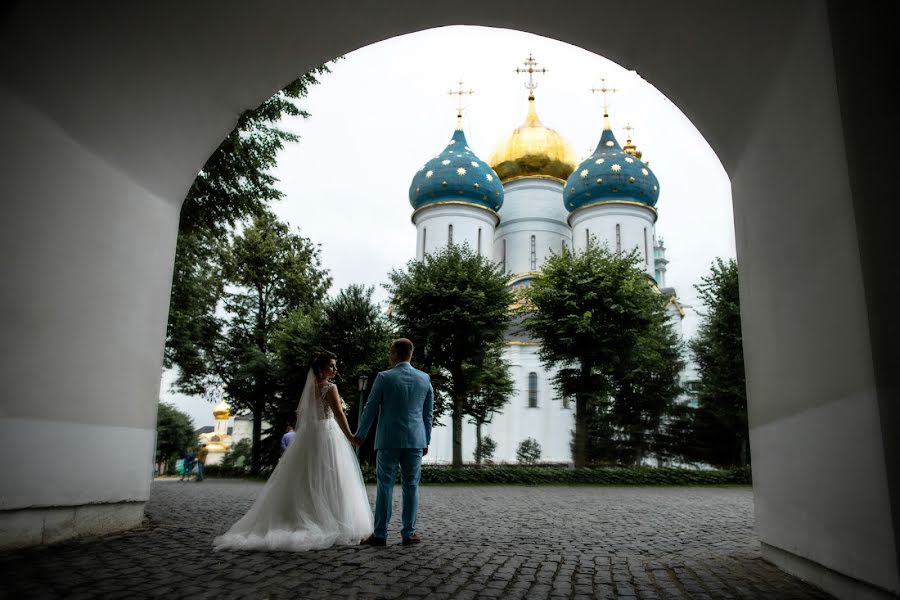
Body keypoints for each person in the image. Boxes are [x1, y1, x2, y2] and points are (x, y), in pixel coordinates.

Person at [213, 351, 373, 552]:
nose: (335, 369)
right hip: (327, 434)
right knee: (331, 476)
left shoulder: (309, 389)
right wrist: (350, 437)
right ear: (321, 368)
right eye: (332, 366)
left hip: (309, 436)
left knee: (306, 477)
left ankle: (299, 516)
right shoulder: (330, 387)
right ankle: (333, 520)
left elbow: (301, 417)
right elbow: (339, 414)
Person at [355, 338, 434, 547]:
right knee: (411, 486)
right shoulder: (424, 379)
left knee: (385, 486)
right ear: (411, 354)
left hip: (388, 440)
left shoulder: (384, 377)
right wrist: (426, 440)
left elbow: (370, 408)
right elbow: (428, 415)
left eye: (390, 352)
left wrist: (360, 435)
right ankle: (409, 533)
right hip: (416, 440)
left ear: (395, 354)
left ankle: (380, 534)